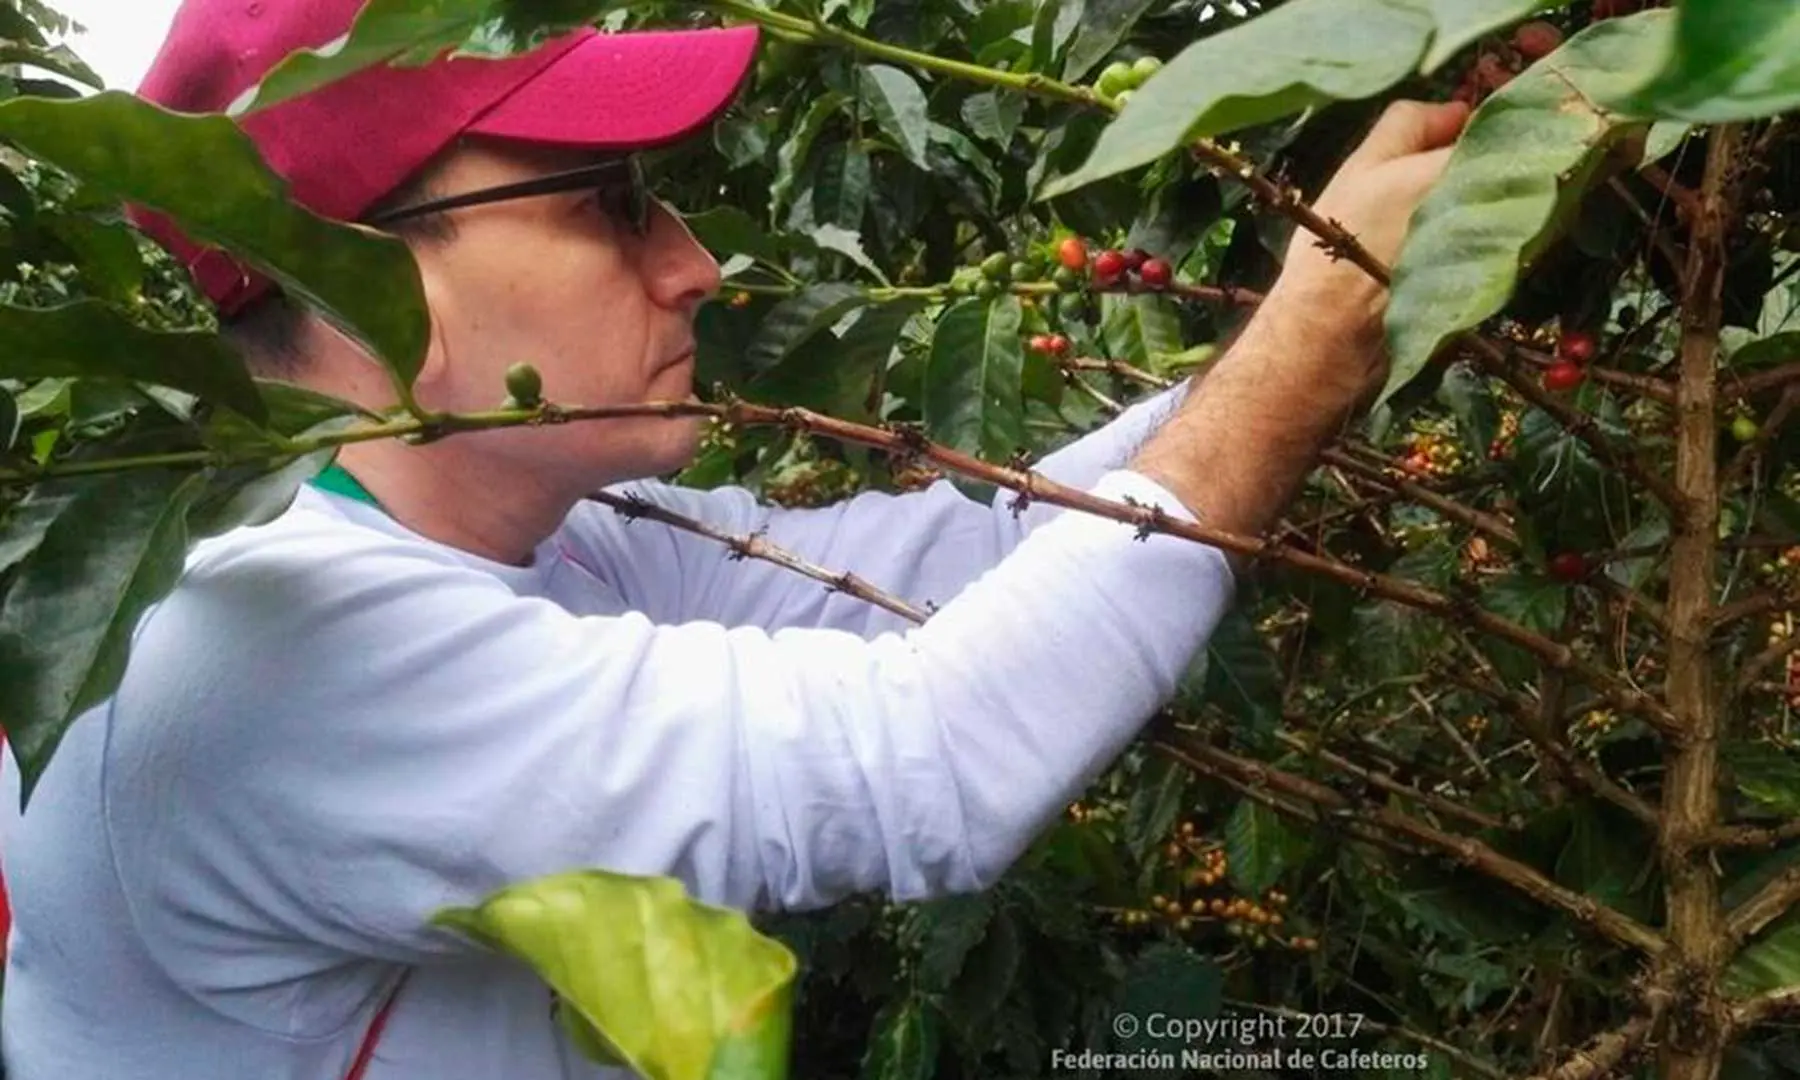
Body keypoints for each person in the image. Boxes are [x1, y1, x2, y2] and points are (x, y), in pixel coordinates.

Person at [0, 0, 1468, 1076]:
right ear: (374, 277)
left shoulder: (558, 538)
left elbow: (947, 577)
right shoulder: (258, 644)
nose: (696, 266)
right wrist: (1311, 343)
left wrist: (1337, 305)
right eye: (614, 205)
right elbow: (928, 758)